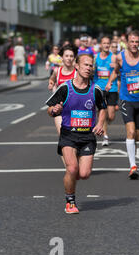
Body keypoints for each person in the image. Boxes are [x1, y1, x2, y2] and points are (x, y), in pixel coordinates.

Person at [45, 53, 107, 214]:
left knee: (84, 174)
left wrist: (100, 123)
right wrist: (54, 110)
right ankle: (70, 201)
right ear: (77, 67)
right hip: (68, 135)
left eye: (91, 65)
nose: (88, 68)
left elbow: (103, 109)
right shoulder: (65, 88)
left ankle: (72, 181)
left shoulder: (96, 89)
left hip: (87, 137)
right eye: (85, 65)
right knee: (72, 169)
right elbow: (50, 109)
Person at [105, 30, 139, 180]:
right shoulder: (120, 57)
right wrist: (110, 82)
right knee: (130, 132)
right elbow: (115, 72)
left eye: (136, 42)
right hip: (126, 99)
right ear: (127, 43)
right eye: (131, 42)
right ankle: (133, 166)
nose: (134, 44)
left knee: (137, 137)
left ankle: (133, 158)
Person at [93, 36, 119, 147]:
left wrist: (117, 67)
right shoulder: (95, 58)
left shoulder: (114, 57)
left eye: (108, 43)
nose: (106, 45)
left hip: (111, 88)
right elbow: (90, 71)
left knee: (111, 115)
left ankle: (104, 124)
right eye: (104, 43)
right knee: (102, 112)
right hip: (99, 88)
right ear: (100, 45)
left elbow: (119, 71)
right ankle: (105, 135)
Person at [48, 45, 78, 135]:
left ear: (74, 58)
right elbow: (52, 79)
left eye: (71, 56)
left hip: (74, 108)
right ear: (62, 58)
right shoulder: (57, 71)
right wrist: (51, 83)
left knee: (74, 136)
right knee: (62, 135)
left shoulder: (77, 72)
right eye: (66, 56)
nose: (69, 58)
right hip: (60, 107)